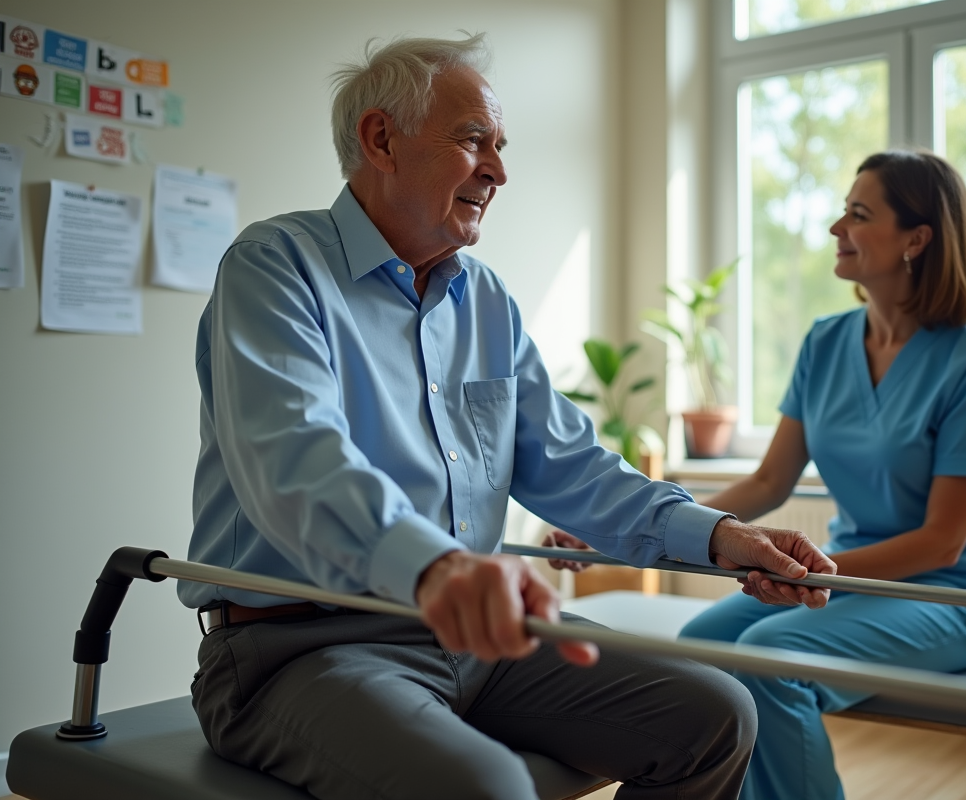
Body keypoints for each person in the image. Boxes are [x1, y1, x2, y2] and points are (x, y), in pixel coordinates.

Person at [179, 34, 836, 800]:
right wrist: (436, 568)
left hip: (476, 644)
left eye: (500, 145)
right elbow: (294, 462)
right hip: (294, 652)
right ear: (381, 139)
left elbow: (572, 466)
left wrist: (724, 537)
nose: (498, 169)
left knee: (719, 714)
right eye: (473, 141)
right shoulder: (276, 266)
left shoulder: (484, 298)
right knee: (484, 788)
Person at [550, 149, 966, 799]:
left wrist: (811, 571)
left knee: (771, 658)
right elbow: (768, 483)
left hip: (954, 593)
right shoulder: (826, 343)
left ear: (917, 239)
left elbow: (943, 541)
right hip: (851, 579)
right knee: (700, 653)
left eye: (858, 214)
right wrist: (631, 529)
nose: (836, 229)